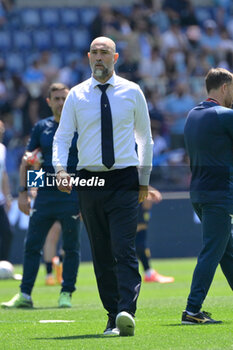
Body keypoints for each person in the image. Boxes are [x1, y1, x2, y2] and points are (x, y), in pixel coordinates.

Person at [52, 36, 153, 336]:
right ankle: (112, 314)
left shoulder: (133, 92)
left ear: (116, 57)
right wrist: (59, 169)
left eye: (104, 52)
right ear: (88, 57)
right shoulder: (77, 95)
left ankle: (125, 311)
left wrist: (144, 179)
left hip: (124, 178)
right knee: (101, 251)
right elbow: (62, 136)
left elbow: (144, 139)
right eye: (94, 52)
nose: (98, 57)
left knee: (124, 248)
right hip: (88, 180)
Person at [1, 83, 81, 309]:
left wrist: (86, 198)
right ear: (49, 102)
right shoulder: (41, 128)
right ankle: (25, 294)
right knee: (32, 244)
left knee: (71, 246)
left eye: (64, 98)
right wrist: (25, 193)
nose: (60, 102)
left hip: (72, 195)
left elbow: (87, 166)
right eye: (56, 98)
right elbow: (30, 161)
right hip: (45, 195)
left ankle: (66, 292)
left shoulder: (80, 127)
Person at [182, 67, 233, 324]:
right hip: (219, 194)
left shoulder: (192, 115)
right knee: (213, 250)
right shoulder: (225, 115)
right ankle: (192, 310)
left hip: (199, 193)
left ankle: (193, 308)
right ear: (225, 87)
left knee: (227, 250)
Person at [136, 189, 174, 283]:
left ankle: (149, 273)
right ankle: (148, 273)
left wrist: (149, 190)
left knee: (139, 240)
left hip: (132, 196)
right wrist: (150, 191)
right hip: (125, 198)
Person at [0, 120, 13, 261]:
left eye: (2, 130)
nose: (1, 132)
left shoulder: (2, 148)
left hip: (0, 201)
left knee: (8, 233)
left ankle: (2, 265)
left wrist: (7, 195)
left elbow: (3, 174)